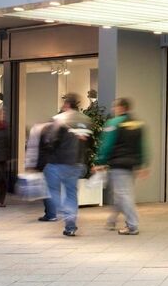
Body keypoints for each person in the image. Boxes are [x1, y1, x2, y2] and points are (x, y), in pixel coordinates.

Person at [43, 93, 94, 237]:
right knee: (71, 193)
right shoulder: (86, 120)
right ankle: (70, 226)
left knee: (52, 190)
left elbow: (50, 141)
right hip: (78, 163)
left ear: (66, 104)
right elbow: (90, 143)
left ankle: (65, 211)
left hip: (58, 162)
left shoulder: (59, 119)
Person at [94, 97, 147, 236]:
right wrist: (142, 164)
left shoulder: (114, 122)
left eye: (115, 106)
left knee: (124, 195)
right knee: (121, 194)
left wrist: (99, 161)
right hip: (131, 165)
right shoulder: (137, 123)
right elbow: (142, 146)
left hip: (118, 164)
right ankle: (111, 220)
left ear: (122, 108)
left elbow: (107, 144)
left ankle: (132, 225)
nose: (113, 109)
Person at [24, 120, 58, 222]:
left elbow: (33, 149)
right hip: (54, 163)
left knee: (46, 189)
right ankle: (51, 212)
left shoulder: (37, 130)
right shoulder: (56, 131)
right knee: (52, 188)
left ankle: (51, 214)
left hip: (43, 163)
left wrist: (30, 165)